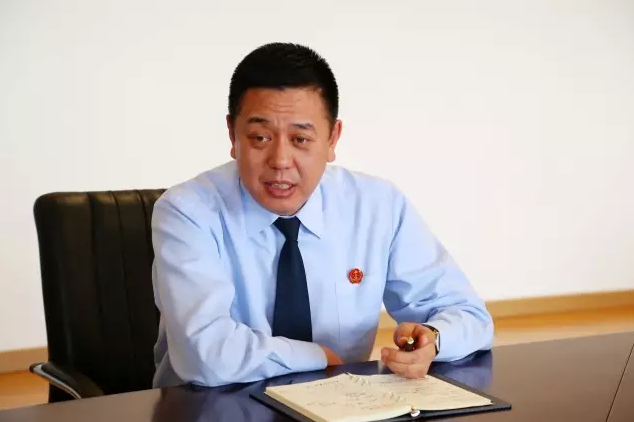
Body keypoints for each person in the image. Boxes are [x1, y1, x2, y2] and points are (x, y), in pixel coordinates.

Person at [150, 42, 493, 388]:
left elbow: (470, 316)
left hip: (341, 404)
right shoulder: (186, 212)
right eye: (260, 137)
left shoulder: (376, 206)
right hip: (209, 405)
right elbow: (204, 355)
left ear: (332, 139)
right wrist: (316, 358)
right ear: (232, 134)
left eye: (300, 139)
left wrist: (433, 338)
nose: (280, 161)